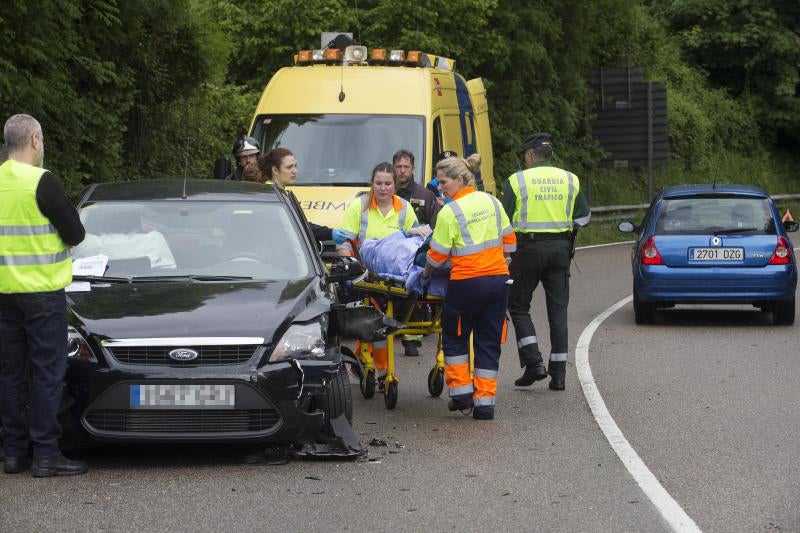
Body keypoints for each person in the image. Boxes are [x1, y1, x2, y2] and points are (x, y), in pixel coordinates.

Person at [0, 114, 87, 476]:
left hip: (4, 295)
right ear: (35, 140)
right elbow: (75, 233)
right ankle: (47, 455)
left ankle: (13, 454)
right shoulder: (42, 182)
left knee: (10, 374)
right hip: (42, 294)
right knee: (48, 373)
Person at [423, 154, 516, 420]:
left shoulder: (450, 211)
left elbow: (437, 256)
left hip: (466, 283)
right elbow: (510, 243)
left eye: (444, 182)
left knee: (455, 336)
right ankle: (485, 405)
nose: (440, 188)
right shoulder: (492, 201)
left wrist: (426, 272)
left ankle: (462, 395)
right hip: (499, 282)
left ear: (461, 179)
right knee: (488, 342)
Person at [502, 133, 591, 391]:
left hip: (527, 249)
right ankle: (559, 374)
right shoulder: (570, 179)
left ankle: (534, 363)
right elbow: (584, 217)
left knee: (517, 306)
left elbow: (503, 219)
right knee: (558, 312)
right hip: (560, 251)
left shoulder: (517, 180)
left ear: (530, 156)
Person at [337, 162, 429, 378]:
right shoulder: (359, 207)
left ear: (395, 185)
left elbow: (417, 239)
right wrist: (351, 267)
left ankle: (367, 360)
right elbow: (344, 242)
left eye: (388, 183)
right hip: (367, 274)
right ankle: (380, 370)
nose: (383, 188)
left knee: (382, 320)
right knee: (377, 319)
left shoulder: (404, 208)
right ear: (372, 184)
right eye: (378, 183)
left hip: (395, 275)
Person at [392, 149, 440, 356]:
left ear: (413, 169)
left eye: (406, 167)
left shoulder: (424, 195)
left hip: (415, 256)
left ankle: (412, 340)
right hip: (391, 253)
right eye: (399, 167)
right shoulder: (386, 192)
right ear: (394, 168)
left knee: (414, 292)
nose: (402, 171)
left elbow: (436, 225)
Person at [260, 148, 334, 242]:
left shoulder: (279, 193)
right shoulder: (271, 196)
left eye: (295, 166)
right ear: (275, 170)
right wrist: (330, 233)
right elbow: (298, 227)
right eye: (289, 167)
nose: (295, 171)